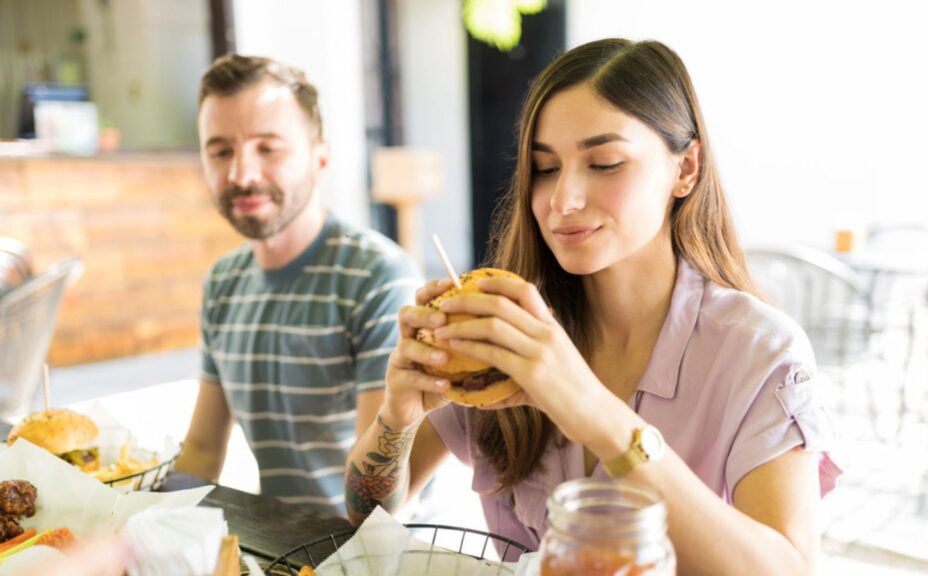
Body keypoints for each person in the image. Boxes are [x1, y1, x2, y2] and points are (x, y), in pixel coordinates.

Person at [345, 38, 842, 575]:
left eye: (604, 163)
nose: (564, 200)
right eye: (545, 168)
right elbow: (367, 519)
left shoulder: (758, 351)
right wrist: (395, 420)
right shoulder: (504, 329)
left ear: (686, 168)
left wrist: (591, 409)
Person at [175, 54, 420, 516]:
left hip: (373, 555)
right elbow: (203, 452)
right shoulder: (223, 282)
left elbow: (384, 509)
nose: (242, 174)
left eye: (269, 148)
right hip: (277, 550)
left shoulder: (379, 277)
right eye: (220, 150)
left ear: (320, 160)